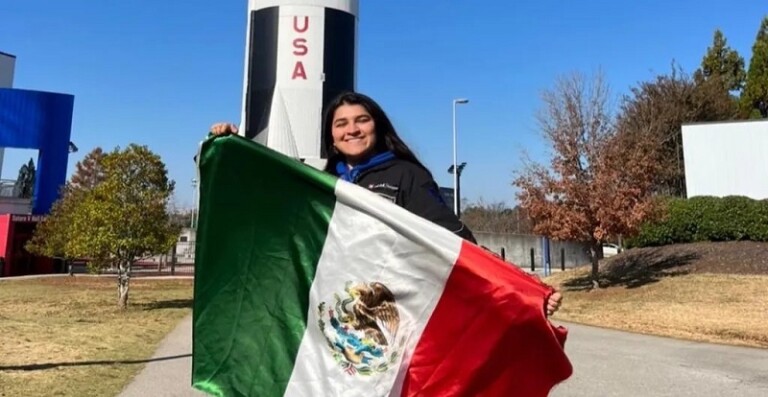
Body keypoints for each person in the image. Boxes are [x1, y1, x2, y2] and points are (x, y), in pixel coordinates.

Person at [209, 91, 561, 316]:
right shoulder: (324, 185)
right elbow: (270, 209)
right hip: (334, 310)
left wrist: (521, 289)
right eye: (341, 123)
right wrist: (231, 148)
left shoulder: (405, 175)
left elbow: (457, 242)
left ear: (377, 127)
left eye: (362, 120)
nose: (352, 129)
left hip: (392, 308)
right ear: (330, 137)